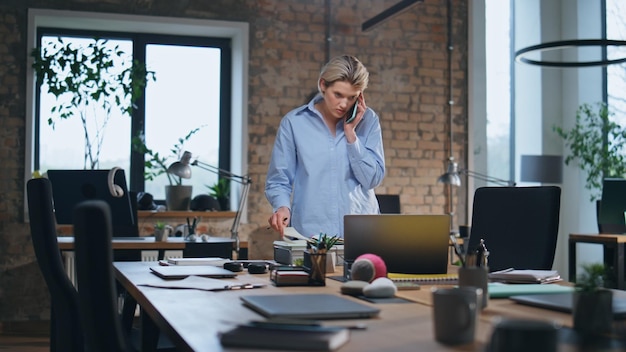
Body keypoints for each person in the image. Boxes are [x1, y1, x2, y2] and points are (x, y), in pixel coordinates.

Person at [265, 55, 385, 238]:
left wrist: (351, 135)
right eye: (338, 94)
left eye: (352, 97)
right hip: (309, 235)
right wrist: (282, 207)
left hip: (362, 235)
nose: (344, 104)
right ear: (323, 85)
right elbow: (279, 180)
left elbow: (372, 180)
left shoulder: (369, 121)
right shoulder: (294, 123)